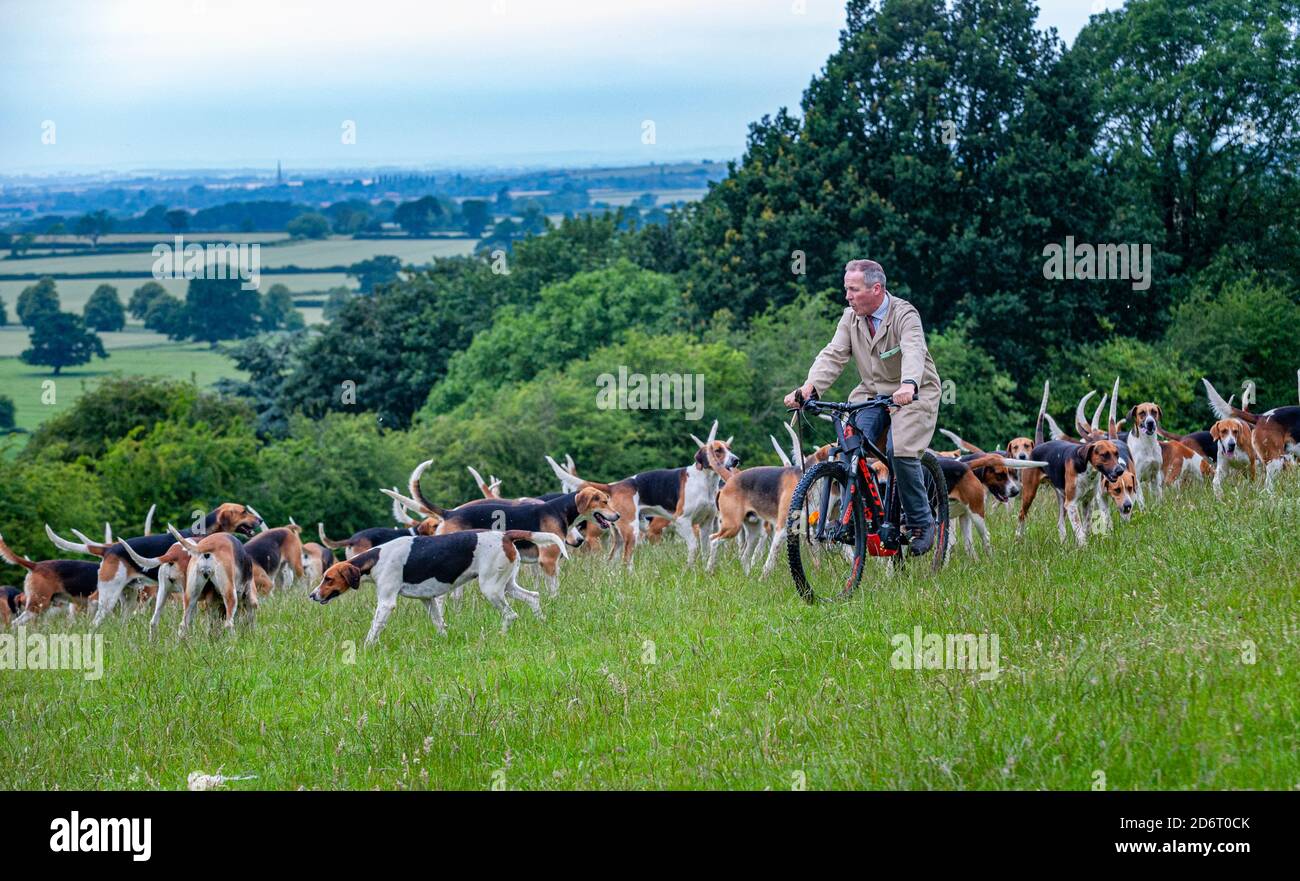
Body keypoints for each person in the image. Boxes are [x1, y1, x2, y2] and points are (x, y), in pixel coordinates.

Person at [784, 259, 942, 554]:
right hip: (871, 393)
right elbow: (833, 354)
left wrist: (908, 384)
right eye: (847, 289)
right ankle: (856, 515)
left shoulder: (905, 314)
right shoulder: (850, 318)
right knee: (849, 442)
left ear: (876, 289)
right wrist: (809, 387)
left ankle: (922, 522)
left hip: (914, 392)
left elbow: (913, 351)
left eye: (853, 290)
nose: (848, 296)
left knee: (900, 449)